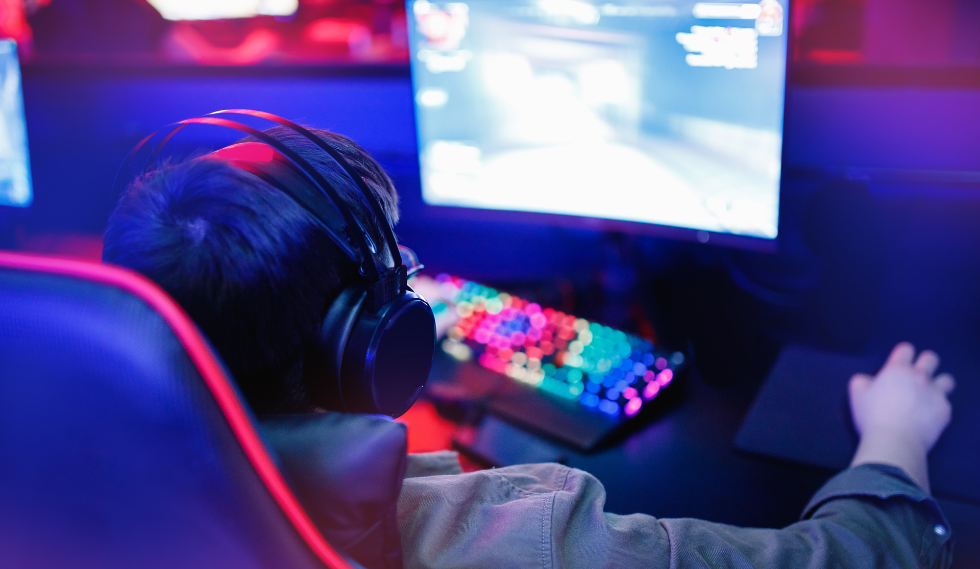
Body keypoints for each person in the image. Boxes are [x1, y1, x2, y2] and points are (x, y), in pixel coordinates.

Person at [103, 123, 955, 569]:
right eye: (395, 274)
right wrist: (894, 439)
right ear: (367, 346)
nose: (411, 276)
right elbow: (853, 561)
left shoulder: (66, 468)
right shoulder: (511, 537)